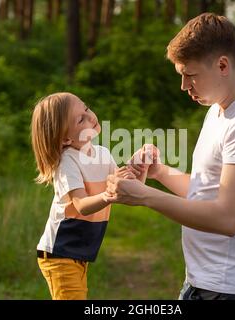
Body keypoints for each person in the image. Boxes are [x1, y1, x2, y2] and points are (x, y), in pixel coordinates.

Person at [106, 13, 235, 300]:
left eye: (190, 75)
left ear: (223, 65)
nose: (184, 86)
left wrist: (144, 196)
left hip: (232, 291)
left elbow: (228, 218)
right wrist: (160, 173)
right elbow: (207, 192)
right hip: (201, 285)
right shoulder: (219, 110)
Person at [30, 92, 138, 300]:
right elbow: (81, 204)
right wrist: (108, 195)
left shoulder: (102, 154)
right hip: (60, 252)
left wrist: (138, 166)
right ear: (66, 138)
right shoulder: (67, 162)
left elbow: (125, 189)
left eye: (86, 109)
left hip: (79, 251)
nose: (91, 117)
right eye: (81, 119)